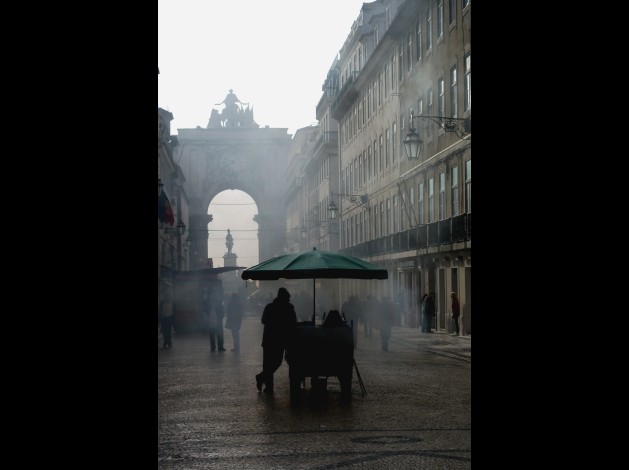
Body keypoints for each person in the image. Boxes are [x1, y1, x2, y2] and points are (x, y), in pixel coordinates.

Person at [255, 287, 297, 395]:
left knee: (268, 363)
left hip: (269, 339)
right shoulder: (289, 308)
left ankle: (264, 381)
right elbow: (293, 323)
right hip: (280, 339)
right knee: (276, 362)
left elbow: (263, 320)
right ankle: (265, 383)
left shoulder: (269, 307)